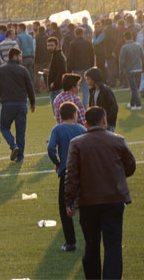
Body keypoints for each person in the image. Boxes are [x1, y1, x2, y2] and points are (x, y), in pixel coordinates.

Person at [64, 107, 136, 279]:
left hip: (88, 201)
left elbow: (71, 175)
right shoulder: (117, 140)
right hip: (114, 198)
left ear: (86, 123)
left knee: (91, 244)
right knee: (113, 246)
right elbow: (131, 166)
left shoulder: (77, 143)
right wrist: (115, 173)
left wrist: (69, 201)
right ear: (104, 120)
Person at [48, 102, 86, 252]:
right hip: (83, 174)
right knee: (84, 206)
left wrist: (57, 162)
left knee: (66, 208)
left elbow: (51, 148)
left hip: (66, 173)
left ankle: (70, 242)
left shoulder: (57, 129)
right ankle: (90, 239)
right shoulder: (82, 129)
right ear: (75, 114)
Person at [0, 48, 35, 163]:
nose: (21, 58)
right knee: (21, 131)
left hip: (7, 104)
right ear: (14, 56)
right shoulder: (23, 70)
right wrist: (33, 102)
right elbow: (30, 87)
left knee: (4, 127)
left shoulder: (0, 70)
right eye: (20, 56)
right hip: (21, 104)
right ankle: (20, 157)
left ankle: (13, 145)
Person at [67, 27, 95, 108]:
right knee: (86, 89)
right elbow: (92, 56)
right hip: (87, 67)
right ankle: (85, 107)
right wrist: (92, 67)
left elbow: (70, 58)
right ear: (83, 33)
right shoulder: (88, 43)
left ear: (75, 34)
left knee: (76, 89)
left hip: (76, 69)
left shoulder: (72, 44)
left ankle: (77, 107)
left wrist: (69, 70)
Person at [119, 31, 144, 110]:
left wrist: (121, 70)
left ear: (124, 38)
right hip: (139, 69)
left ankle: (138, 104)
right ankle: (132, 104)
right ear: (132, 37)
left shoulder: (124, 47)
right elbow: (143, 58)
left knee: (133, 89)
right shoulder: (138, 46)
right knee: (135, 88)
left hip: (130, 70)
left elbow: (122, 61)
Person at [85, 67, 118, 132]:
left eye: (88, 79)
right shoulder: (93, 91)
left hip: (106, 124)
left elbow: (114, 108)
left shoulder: (106, 91)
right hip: (97, 124)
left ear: (94, 78)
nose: (87, 81)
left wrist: (107, 122)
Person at [47, 37, 66, 109]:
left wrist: (54, 83)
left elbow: (62, 71)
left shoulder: (59, 56)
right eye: (48, 46)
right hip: (56, 88)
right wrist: (49, 72)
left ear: (57, 45)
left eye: (52, 45)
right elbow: (58, 70)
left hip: (57, 88)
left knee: (58, 113)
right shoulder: (55, 55)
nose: (49, 48)